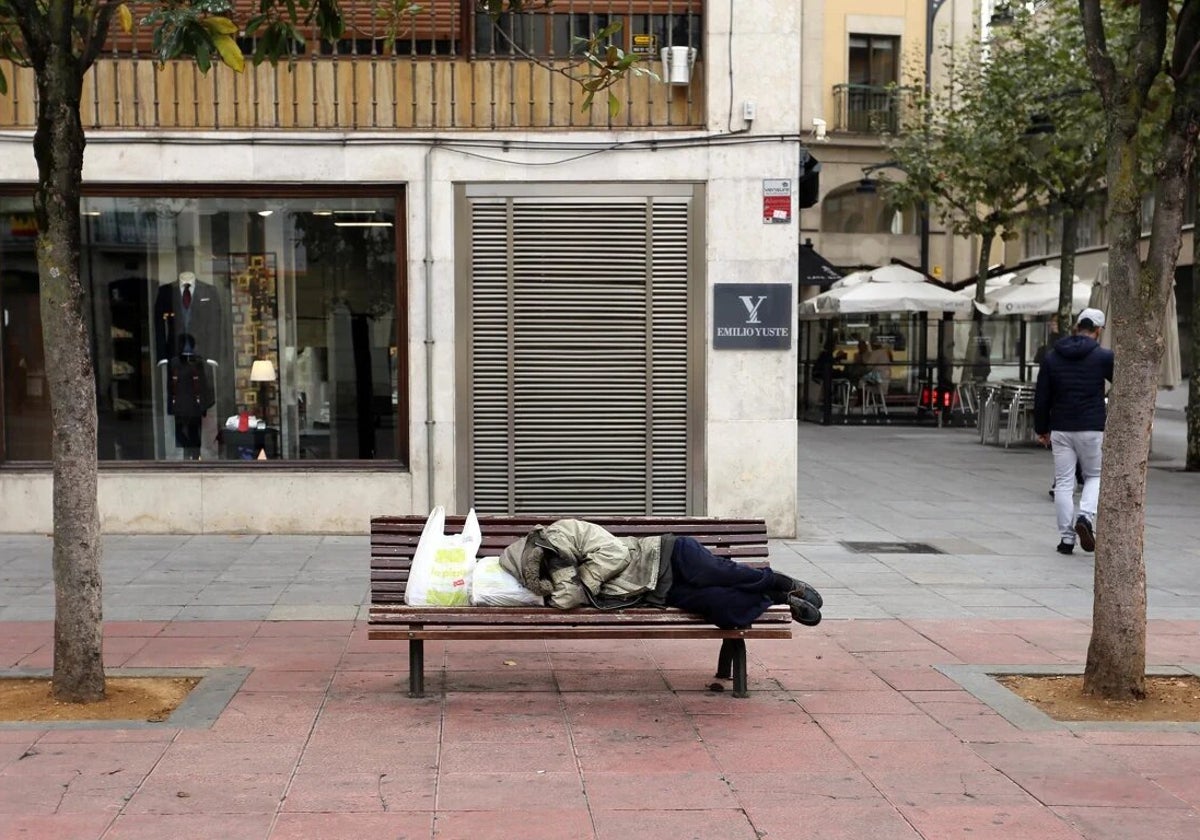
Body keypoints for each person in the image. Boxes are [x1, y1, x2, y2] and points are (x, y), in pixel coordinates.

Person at [499, 519, 823, 629]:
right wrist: (571, 574)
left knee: (715, 572)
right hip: (656, 592)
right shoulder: (556, 577)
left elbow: (614, 553)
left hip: (667, 555)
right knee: (722, 606)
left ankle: (779, 582)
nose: (553, 560)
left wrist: (582, 578)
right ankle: (776, 599)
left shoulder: (566, 531)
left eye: (549, 556)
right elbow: (566, 601)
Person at [1033, 308, 1114, 555]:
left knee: (1064, 483)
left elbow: (1042, 396)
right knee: (1095, 476)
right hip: (1092, 427)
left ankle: (1066, 539)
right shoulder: (1103, 356)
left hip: (1061, 427)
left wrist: (1041, 428)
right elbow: (1120, 385)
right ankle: (1086, 517)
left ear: (1077, 326)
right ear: (1098, 331)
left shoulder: (1052, 356)